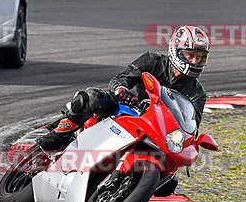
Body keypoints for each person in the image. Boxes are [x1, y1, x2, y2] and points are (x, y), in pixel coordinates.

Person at [32, 25, 210, 154]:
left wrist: (192, 140)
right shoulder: (153, 61)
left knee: (169, 182)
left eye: (199, 57)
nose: (195, 61)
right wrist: (121, 90)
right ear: (176, 50)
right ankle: (57, 137)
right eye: (190, 55)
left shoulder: (197, 93)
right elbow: (121, 78)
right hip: (124, 108)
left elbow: (191, 126)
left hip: (155, 131)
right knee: (91, 98)